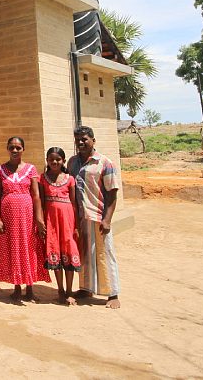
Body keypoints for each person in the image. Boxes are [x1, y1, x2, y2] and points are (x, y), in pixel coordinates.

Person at [67, 125, 122, 309]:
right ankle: (85, 288)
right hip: (80, 217)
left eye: (85, 139)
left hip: (98, 217)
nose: (81, 142)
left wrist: (107, 219)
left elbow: (112, 194)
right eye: (78, 140)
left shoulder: (105, 163)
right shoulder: (72, 163)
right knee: (83, 254)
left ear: (93, 140)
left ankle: (113, 294)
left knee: (104, 254)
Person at [0, 136, 50, 302]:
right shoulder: (0, 169)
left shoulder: (31, 169)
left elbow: (36, 195)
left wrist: (39, 219)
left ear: (23, 149)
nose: (15, 151)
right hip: (8, 217)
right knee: (13, 248)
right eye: (11, 147)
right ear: (7, 148)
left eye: (18, 148)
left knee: (28, 247)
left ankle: (29, 288)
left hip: (27, 216)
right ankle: (16, 287)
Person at [39, 147, 81, 305]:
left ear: (63, 161)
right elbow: (42, 202)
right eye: (51, 159)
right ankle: (60, 290)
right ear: (47, 161)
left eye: (58, 159)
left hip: (67, 221)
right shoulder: (43, 178)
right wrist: (41, 222)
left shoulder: (69, 179)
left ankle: (70, 291)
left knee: (68, 251)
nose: (54, 162)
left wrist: (76, 225)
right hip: (51, 221)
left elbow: (74, 203)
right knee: (55, 250)